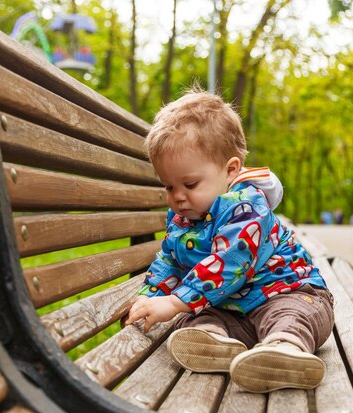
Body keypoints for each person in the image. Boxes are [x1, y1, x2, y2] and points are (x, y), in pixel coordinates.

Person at [125, 89, 334, 394]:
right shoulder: (183, 218)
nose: (177, 197)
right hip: (232, 309)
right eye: (169, 186)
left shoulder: (246, 207)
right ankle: (215, 343)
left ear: (231, 170)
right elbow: (169, 260)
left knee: (290, 316)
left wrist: (172, 302)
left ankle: (285, 351)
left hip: (286, 292)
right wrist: (150, 295)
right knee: (193, 319)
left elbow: (230, 263)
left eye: (190, 184)